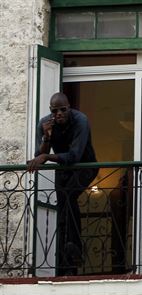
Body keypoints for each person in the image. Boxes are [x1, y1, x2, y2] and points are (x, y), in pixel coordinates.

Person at [27, 92, 98, 276]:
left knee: (69, 196)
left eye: (63, 109)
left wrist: (46, 156)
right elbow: (39, 155)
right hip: (63, 169)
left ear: (69, 107)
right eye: (55, 110)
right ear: (51, 110)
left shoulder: (81, 120)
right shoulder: (45, 123)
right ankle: (67, 256)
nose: (59, 114)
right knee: (63, 208)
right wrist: (47, 137)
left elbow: (75, 155)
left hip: (85, 166)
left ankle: (74, 250)